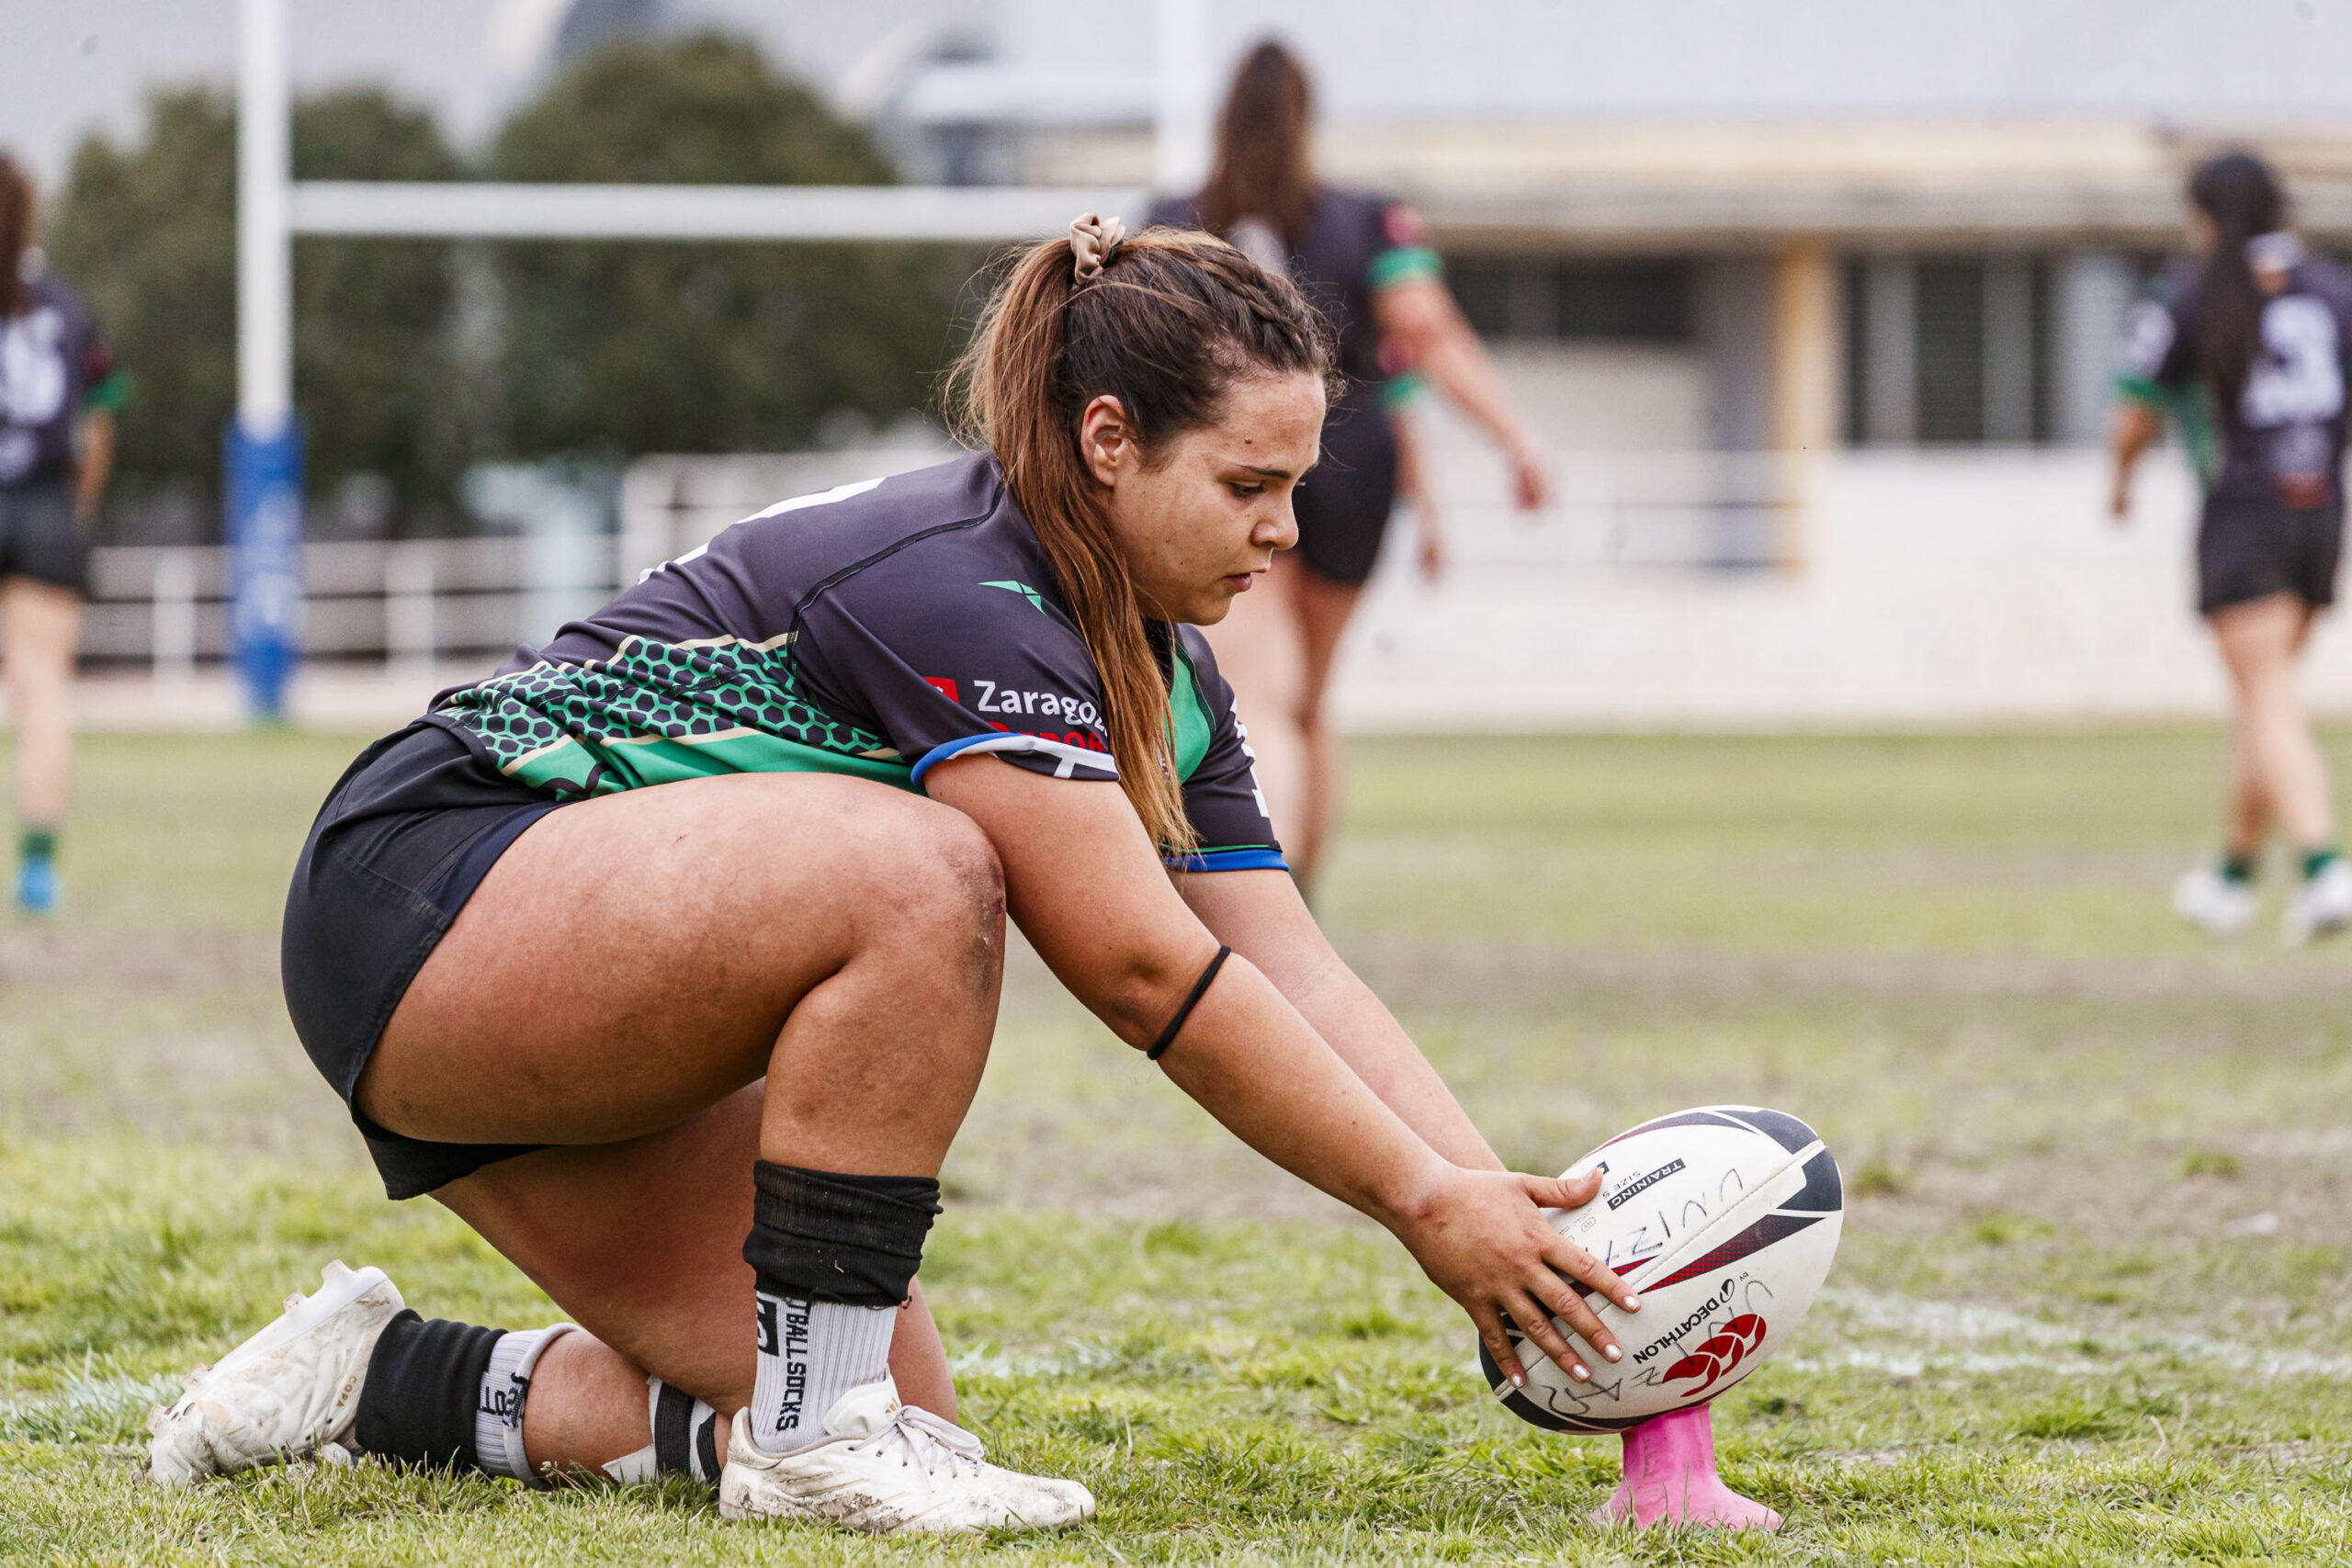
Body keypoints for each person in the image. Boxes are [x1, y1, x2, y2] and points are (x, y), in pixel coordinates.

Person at [143, 221, 1661, 1536]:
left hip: (590, 957)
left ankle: (372, 1375)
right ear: (1110, 441)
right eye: (1251, 483)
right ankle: (813, 1435)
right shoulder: (971, 585)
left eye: (1299, 484)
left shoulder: (1161, 668)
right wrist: (1416, 1206)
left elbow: (1289, 964)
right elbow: (1145, 971)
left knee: (891, 1389)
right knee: (929, 871)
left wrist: (1507, 1220)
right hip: (427, 886)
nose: (1288, 527)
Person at [1150, 40, 1550, 891]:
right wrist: (1515, 438)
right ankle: (1299, 911)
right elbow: (1431, 334)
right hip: (1351, 471)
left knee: (1257, 700)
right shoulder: (1369, 220)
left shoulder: (1169, 219)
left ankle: (1265, 916)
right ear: (1305, 121)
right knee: (1307, 706)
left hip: (1234, 471)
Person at [2112, 151, 2352, 945]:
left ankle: (2324, 866)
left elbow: (2135, 413)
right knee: (2266, 694)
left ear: (2205, 217)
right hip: (2319, 509)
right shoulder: (2331, 289)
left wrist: (2120, 479)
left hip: (2244, 510)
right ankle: (2232, 878)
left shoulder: (2190, 288)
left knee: (2267, 698)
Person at [0, 153, 123, 915]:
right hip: (47, 505)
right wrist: (77, 507)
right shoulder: (64, 305)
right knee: (42, 687)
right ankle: (38, 869)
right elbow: (100, 421)